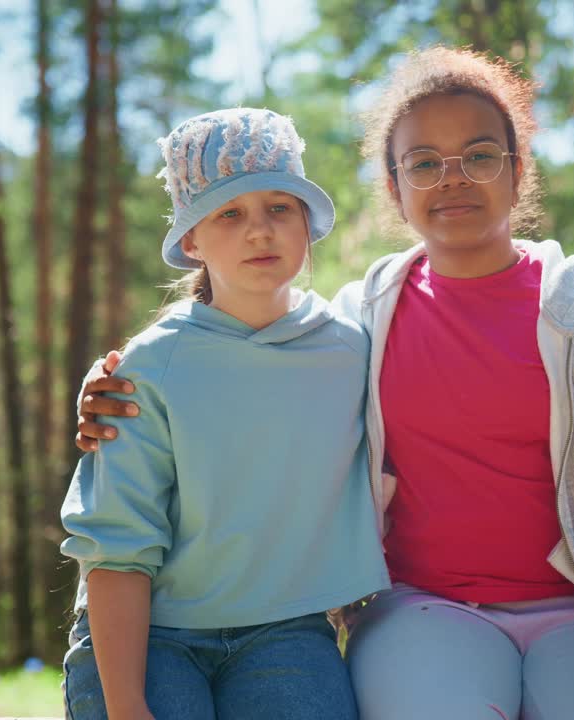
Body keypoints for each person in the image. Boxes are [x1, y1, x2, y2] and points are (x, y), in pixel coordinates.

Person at [74, 48, 574, 720]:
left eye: (481, 156)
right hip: (427, 609)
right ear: (395, 186)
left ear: (519, 172)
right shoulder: (369, 316)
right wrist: (116, 374)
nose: (453, 180)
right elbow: (236, 333)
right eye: (425, 163)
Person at [59, 107, 390, 720]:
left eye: (279, 208)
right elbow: (117, 547)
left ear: (308, 224)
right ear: (191, 240)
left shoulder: (354, 349)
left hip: (285, 631)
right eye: (229, 213)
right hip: (149, 637)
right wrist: (128, 706)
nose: (260, 231)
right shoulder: (152, 366)